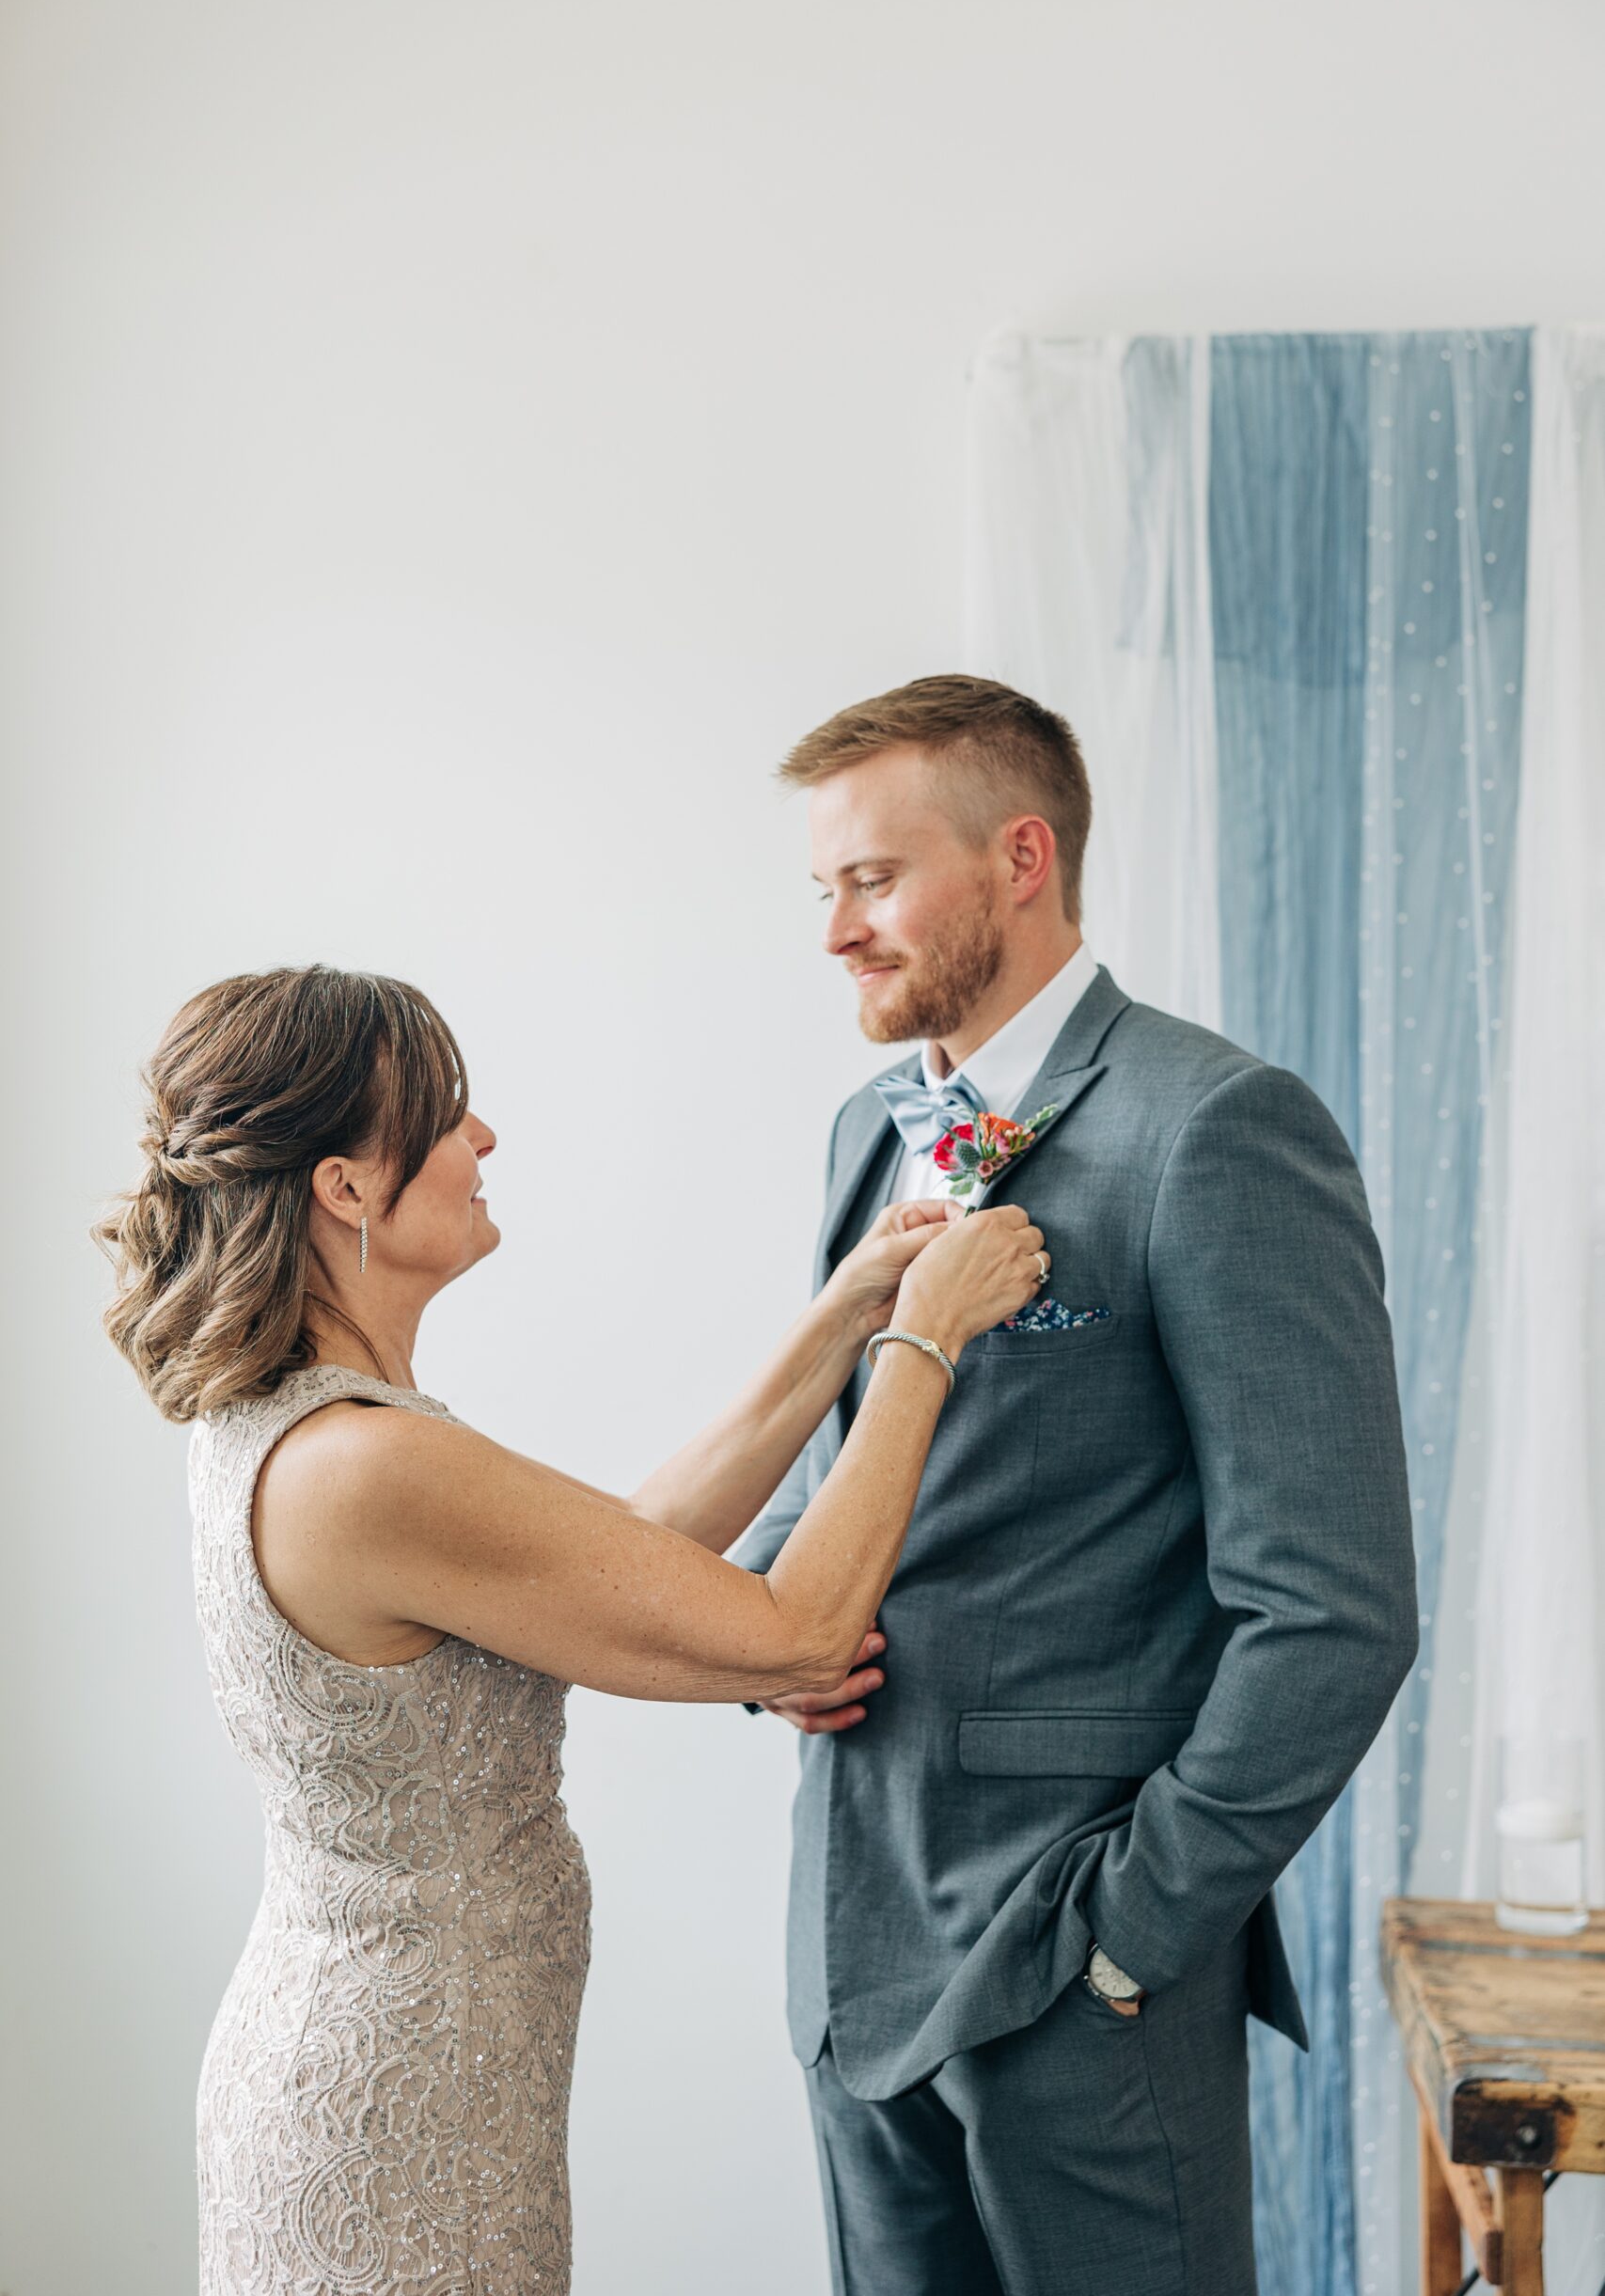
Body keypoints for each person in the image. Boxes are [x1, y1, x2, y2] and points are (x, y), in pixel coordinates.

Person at [96, 963, 1048, 2296]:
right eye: (449, 1114)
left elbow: (632, 1554)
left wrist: (845, 1314)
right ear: (348, 1189)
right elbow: (796, 1631)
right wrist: (926, 1340)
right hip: (399, 2129)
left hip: (411, 2081)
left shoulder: (313, 1424)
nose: (483, 1140)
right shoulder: (362, 1467)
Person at [735, 672, 1418, 2296]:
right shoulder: (868, 1132)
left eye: (873, 880)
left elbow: (1333, 1609)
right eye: (820, 889)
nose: (836, 931)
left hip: (1077, 1973)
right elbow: (841, 1462)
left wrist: (1131, 1936)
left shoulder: (1223, 1129)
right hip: (848, 1951)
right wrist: (770, 1641)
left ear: (1021, 857)